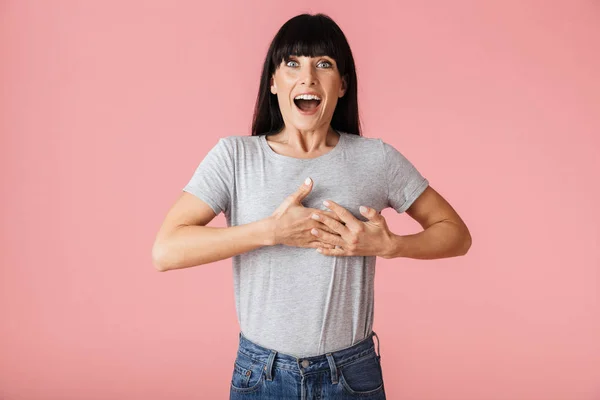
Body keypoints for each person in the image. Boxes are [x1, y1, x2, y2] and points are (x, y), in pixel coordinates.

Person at [152, 13, 472, 400]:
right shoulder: (235, 157)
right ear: (273, 82)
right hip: (261, 375)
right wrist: (270, 231)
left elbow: (456, 234)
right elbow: (166, 250)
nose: (308, 78)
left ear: (341, 86)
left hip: (351, 374)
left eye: (324, 64)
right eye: (292, 64)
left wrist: (392, 246)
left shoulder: (376, 159)